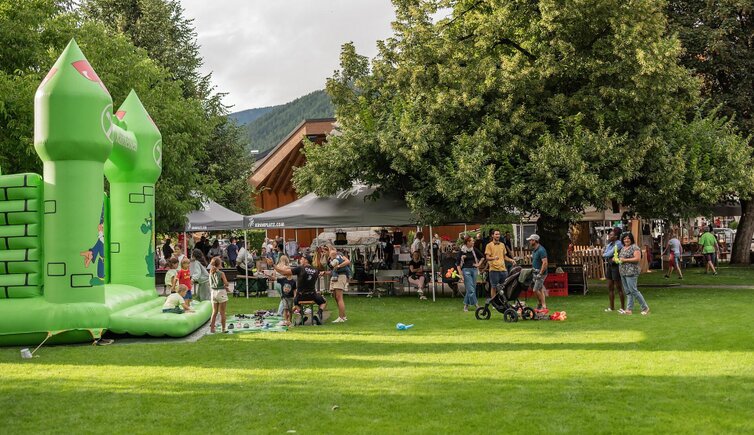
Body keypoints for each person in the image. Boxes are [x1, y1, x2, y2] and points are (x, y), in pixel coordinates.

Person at [268, 254, 327, 325]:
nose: (300, 260)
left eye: (302, 259)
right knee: (324, 301)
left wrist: (273, 265)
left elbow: (284, 272)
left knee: (295, 302)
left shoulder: (300, 268)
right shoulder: (315, 270)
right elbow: (322, 273)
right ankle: (318, 313)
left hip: (301, 296)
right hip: (312, 295)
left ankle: (303, 315)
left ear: (306, 260)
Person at [617, 232, 649, 315]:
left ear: (631, 239)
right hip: (623, 272)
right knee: (628, 292)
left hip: (631, 272)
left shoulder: (635, 247)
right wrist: (617, 259)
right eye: (624, 239)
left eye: (628, 238)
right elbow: (621, 258)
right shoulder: (623, 248)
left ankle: (645, 307)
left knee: (633, 290)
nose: (626, 240)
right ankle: (629, 309)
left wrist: (625, 260)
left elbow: (637, 258)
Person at [484, 229, 516, 300]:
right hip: (494, 270)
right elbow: (487, 257)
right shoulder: (489, 245)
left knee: (503, 287)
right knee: (494, 287)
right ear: (492, 235)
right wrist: (493, 258)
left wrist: (511, 260)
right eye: (496, 234)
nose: (498, 235)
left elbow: (504, 257)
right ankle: (494, 302)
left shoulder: (502, 245)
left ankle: (503, 301)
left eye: (498, 234)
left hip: (503, 269)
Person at [456, 235, 483, 312]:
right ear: (467, 242)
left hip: (474, 270)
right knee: (471, 289)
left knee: (471, 289)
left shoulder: (474, 249)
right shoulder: (462, 251)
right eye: (472, 241)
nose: (473, 242)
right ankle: (477, 305)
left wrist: (478, 264)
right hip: (466, 270)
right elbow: (457, 264)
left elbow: (482, 257)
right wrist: (460, 274)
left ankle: (466, 305)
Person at [602, 228, 625, 312]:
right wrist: (605, 254)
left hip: (616, 267)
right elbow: (606, 253)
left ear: (616, 236)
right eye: (609, 234)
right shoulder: (610, 244)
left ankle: (622, 308)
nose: (609, 236)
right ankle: (611, 307)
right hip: (610, 266)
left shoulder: (618, 244)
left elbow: (608, 254)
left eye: (611, 235)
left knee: (619, 288)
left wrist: (605, 254)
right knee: (610, 287)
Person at [327, 247, 351, 322]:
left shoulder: (339, 255)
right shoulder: (329, 258)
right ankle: (343, 316)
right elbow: (332, 269)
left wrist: (339, 266)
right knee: (335, 296)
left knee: (339, 297)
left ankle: (341, 317)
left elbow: (348, 261)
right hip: (334, 276)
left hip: (340, 276)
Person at [527, 234, 548, 314]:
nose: (529, 242)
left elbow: (545, 263)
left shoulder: (541, 250)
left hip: (541, 273)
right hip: (535, 272)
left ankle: (542, 305)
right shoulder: (534, 250)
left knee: (535, 289)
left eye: (530, 240)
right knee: (540, 289)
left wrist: (540, 273)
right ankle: (541, 305)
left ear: (534, 241)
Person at [208, 257, 230, 333]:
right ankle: (223, 329)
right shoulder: (221, 273)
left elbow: (210, 284)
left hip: (213, 293)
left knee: (214, 312)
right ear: (219, 264)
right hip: (221, 293)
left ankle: (212, 329)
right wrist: (225, 285)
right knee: (222, 312)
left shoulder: (211, 273)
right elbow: (226, 283)